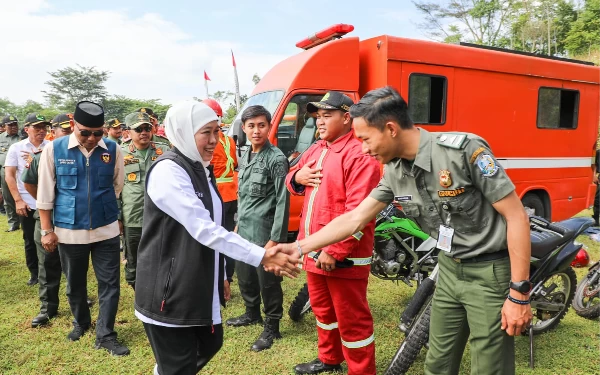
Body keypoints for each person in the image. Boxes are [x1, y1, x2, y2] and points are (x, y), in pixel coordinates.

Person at [273, 86, 533, 375]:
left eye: (365, 139)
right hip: (447, 271)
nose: (362, 148)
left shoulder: (462, 151)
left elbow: (516, 217)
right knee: (438, 363)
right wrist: (298, 248)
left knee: (489, 366)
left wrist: (519, 293)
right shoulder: (395, 171)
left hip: (489, 273)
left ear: (390, 129)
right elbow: (355, 218)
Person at [134, 101, 299, 375]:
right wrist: (262, 254)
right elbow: (204, 228)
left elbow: (214, 223)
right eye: (206, 133)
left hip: (196, 280)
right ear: (185, 133)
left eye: (217, 132)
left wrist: (221, 272)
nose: (214, 140)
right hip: (169, 288)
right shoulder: (169, 171)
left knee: (210, 342)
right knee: (180, 363)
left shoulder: (201, 168)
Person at [283, 92, 381, 375]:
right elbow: (292, 178)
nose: (319, 121)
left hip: (342, 257)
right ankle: (329, 359)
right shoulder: (317, 149)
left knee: (352, 320)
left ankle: (361, 371)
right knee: (324, 313)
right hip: (313, 250)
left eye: (327, 115)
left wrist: (335, 250)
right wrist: (296, 178)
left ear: (347, 117)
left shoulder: (359, 154)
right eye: (318, 116)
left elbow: (360, 213)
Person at [37, 101, 130, 356]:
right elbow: (45, 193)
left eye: (97, 133)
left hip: (106, 229)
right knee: (75, 283)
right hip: (69, 231)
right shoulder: (54, 149)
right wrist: (47, 231)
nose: (91, 138)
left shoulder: (113, 148)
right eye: (85, 132)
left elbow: (116, 185)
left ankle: (106, 334)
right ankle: (81, 322)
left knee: (110, 284)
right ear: (74, 126)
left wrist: (104, 208)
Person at [226, 105, 290, 352]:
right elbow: (243, 196)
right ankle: (251, 313)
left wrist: (275, 240)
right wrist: (237, 225)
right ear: (243, 128)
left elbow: (282, 201)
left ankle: (272, 326)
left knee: (268, 282)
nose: (256, 131)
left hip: (265, 233)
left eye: (261, 125)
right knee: (245, 276)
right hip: (244, 231)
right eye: (251, 126)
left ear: (269, 126)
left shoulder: (276, 159)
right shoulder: (245, 155)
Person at [22, 113, 72, 327]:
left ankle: (78, 298)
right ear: (54, 132)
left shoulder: (82, 154)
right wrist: (45, 203)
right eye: (64, 130)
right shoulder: (42, 155)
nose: (68, 134)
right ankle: (48, 308)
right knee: (47, 265)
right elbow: (29, 183)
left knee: (73, 265)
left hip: (71, 219)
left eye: (71, 130)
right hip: (47, 219)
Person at [118, 112, 170, 290]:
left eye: (147, 128)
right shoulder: (120, 153)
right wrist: (118, 217)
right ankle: (137, 289)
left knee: (161, 253)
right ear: (128, 132)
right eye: (138, 129)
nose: (144, 132)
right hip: (133, 215)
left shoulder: (164, 150)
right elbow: (114, 188)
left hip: (161, 215)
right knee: (133, 257)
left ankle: (158, 288)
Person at [5, 113, 50, 286]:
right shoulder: (17, 148)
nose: (41, 131)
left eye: (44, 127)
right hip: (28, 203)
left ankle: (52, 269)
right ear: (27, 129)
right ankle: (34, 272)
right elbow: (9, 176)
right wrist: (18, 200)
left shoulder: (51, 146)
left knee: (52, 237)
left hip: (48, 201)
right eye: (36, 127)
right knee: (30, 239)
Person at [203, 98, 238, 285]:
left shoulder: (208, 140)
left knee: (216, 238)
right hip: (231, 193)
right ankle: (228, 275)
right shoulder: (228, 140)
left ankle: (219, 276)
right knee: (229, 235)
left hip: (217, 194)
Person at [0, 115, 22, 231]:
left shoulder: (23, 137)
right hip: (5, 172)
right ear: (4, 126)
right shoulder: (0, 138)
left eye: (15, 124)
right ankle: (13, 223)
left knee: (23, 196)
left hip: (21, 171)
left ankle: (25, 221)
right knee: (8, 198)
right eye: (10, 125)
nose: (14, 127)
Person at [592, 148, 600, 226]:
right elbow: (595, 165)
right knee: (597, 200)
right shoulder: (598, 153)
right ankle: (596, 220)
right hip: (599, 180)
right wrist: (594, 175)